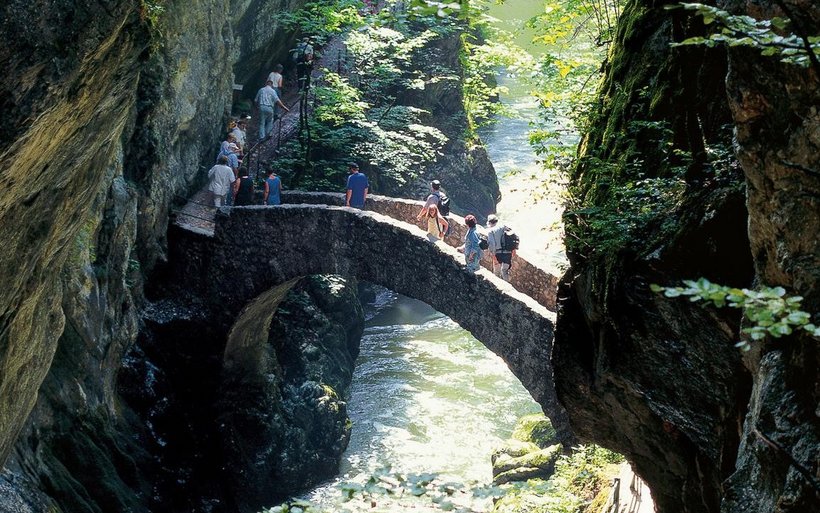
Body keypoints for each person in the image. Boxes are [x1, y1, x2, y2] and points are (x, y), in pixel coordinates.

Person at [486, 214, 514, 281]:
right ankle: (507, 286)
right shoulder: (504, 227)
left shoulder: (491, 231)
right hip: (508, 253)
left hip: (498, 254)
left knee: (497, 272)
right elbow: (512, 236)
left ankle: (498, 289)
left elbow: (492, 245)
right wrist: (513, 250)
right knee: (504, 271)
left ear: (489, 222)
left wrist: (494, 256)